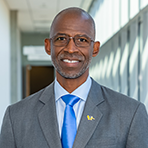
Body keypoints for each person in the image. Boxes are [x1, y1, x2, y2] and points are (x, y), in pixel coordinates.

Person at [0, 7, 148, 148]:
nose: (70, 48)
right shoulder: (16, 117)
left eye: (82, 40)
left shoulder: (131, 113)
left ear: (95, 48)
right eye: (61, 38)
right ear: (48, 46)